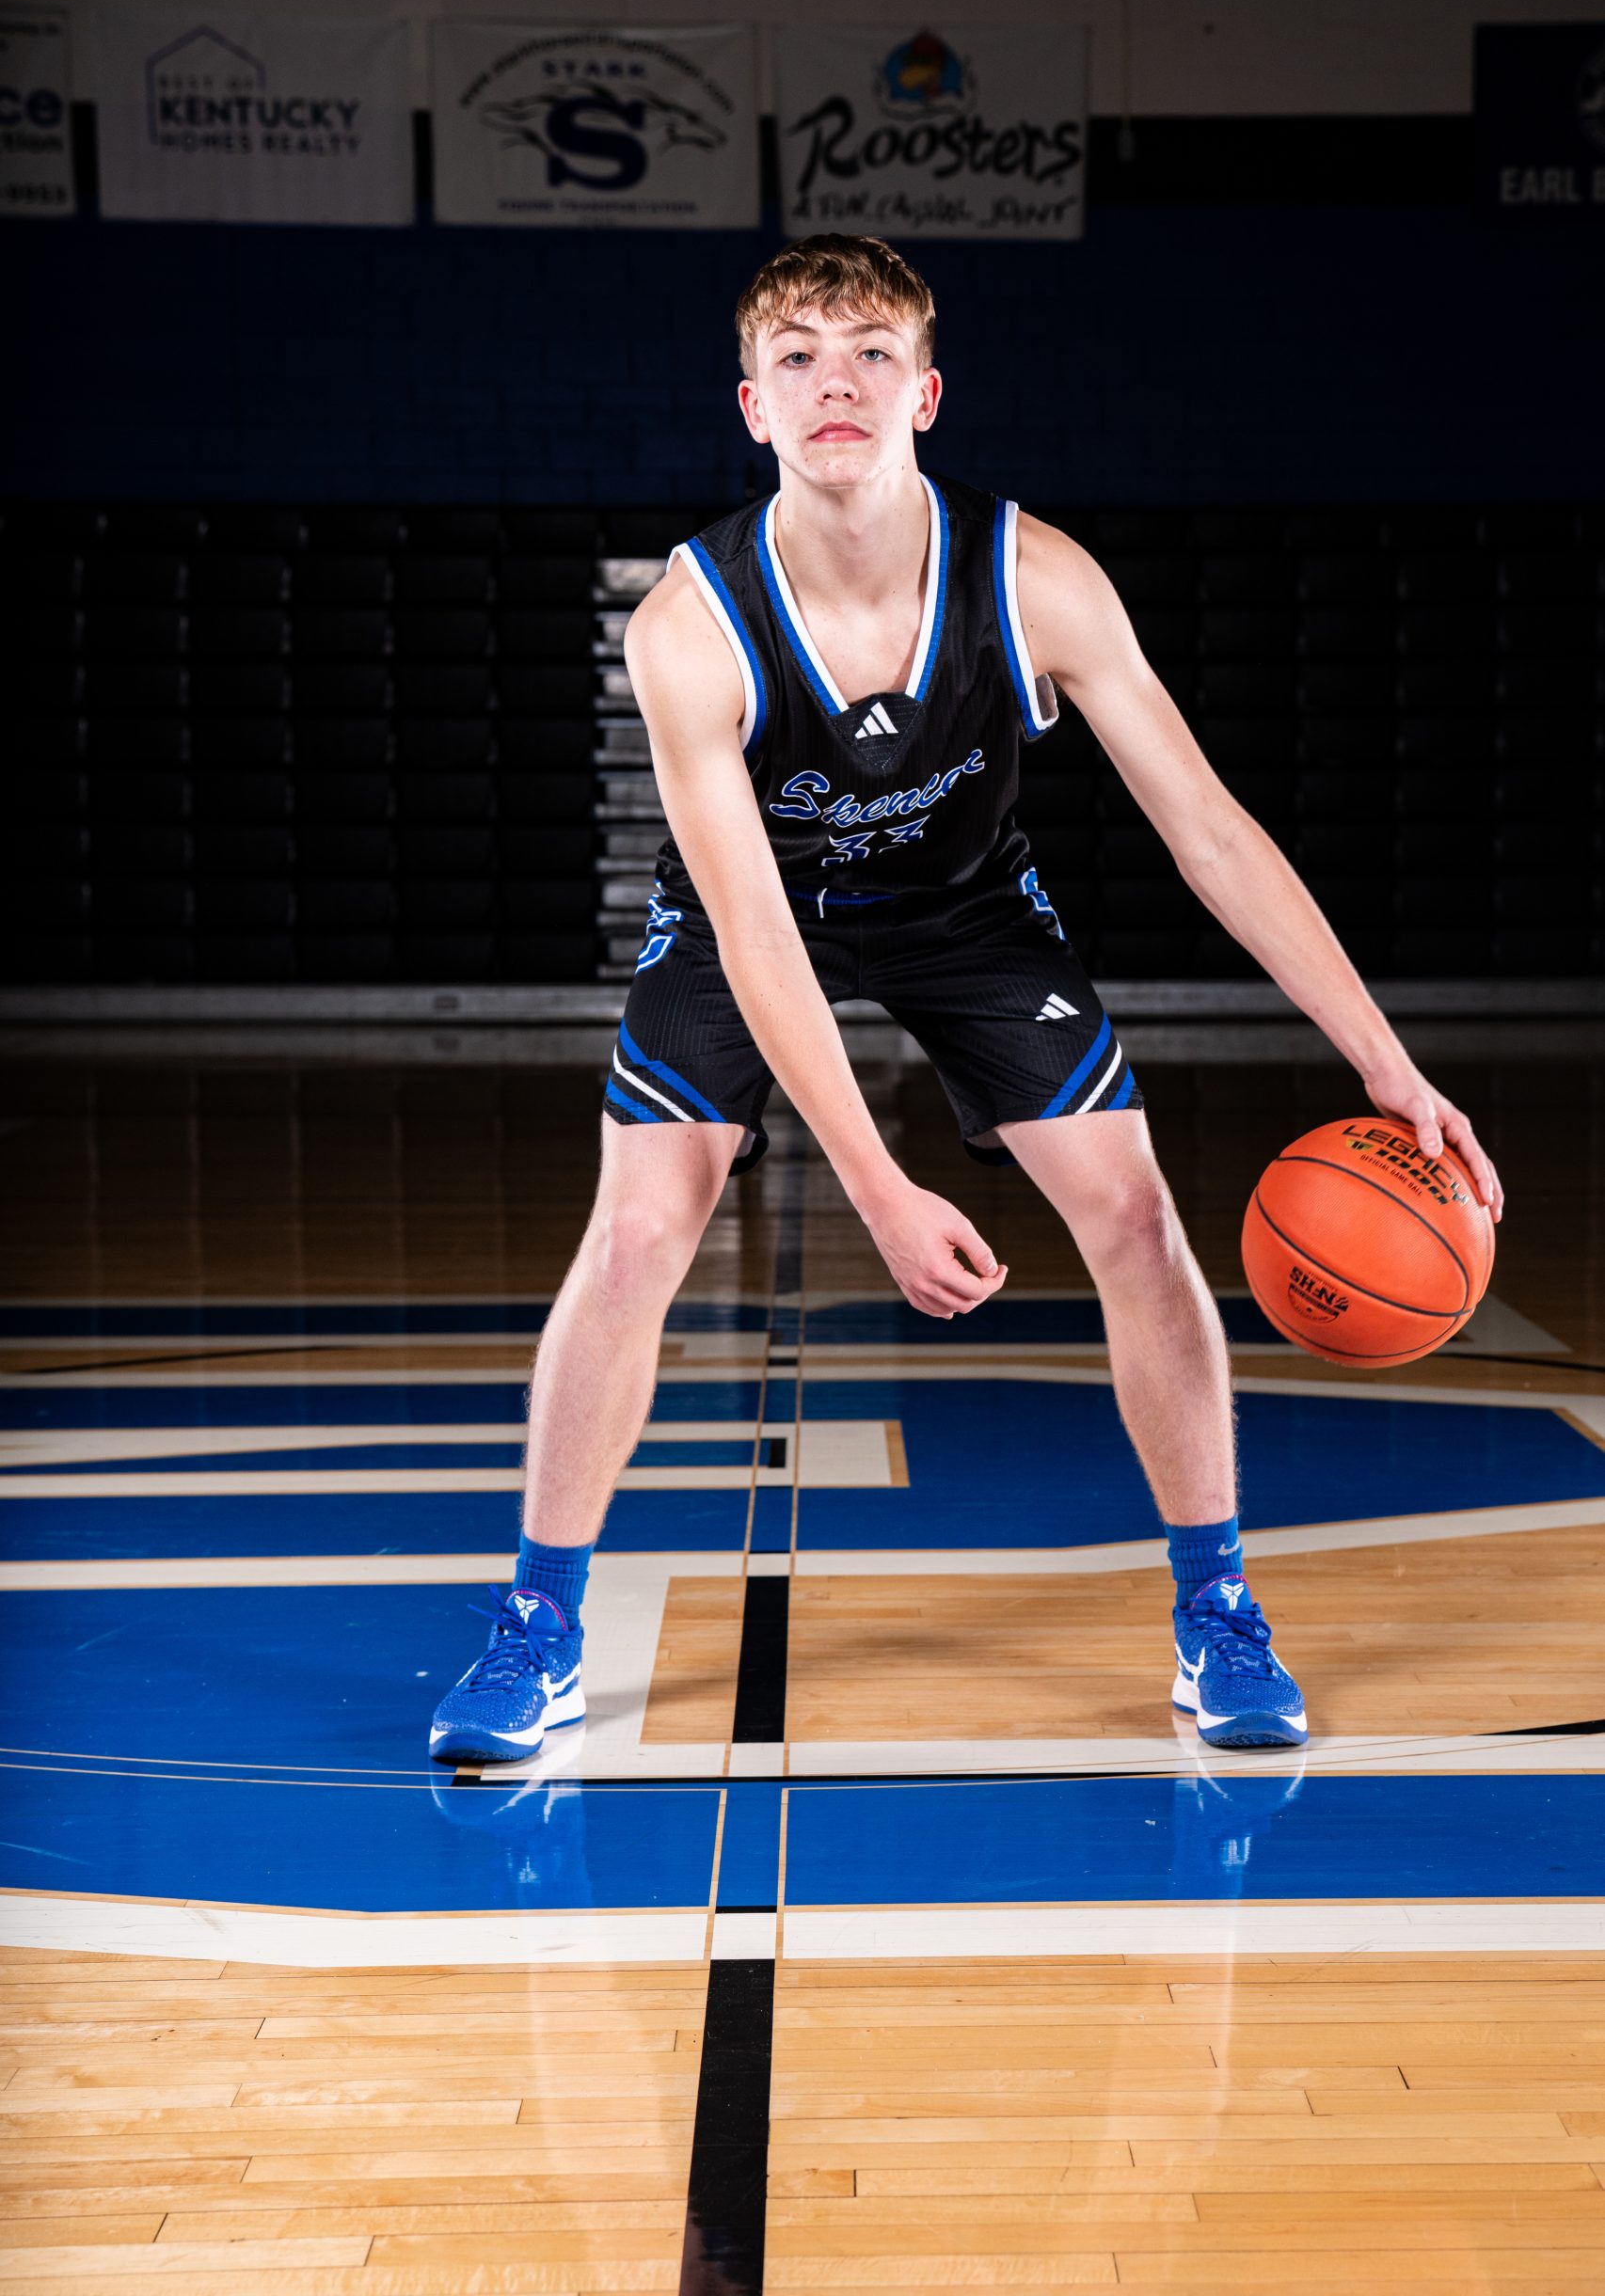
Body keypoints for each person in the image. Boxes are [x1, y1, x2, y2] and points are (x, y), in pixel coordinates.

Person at [430, 233, 1503, 1765]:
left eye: (871, 353)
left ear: (925, 393)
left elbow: (1207, 833)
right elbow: (753, 933)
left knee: (1133, 1215)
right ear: (752, 405)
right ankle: (535, 1627)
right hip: (756, 924)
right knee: (638, 1233)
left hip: (964, 912)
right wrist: (875, 1189)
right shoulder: (688, 626)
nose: (836, 382)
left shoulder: (1035, 577)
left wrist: (1388, 1069)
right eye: (797, 357)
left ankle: (1216, 1610)